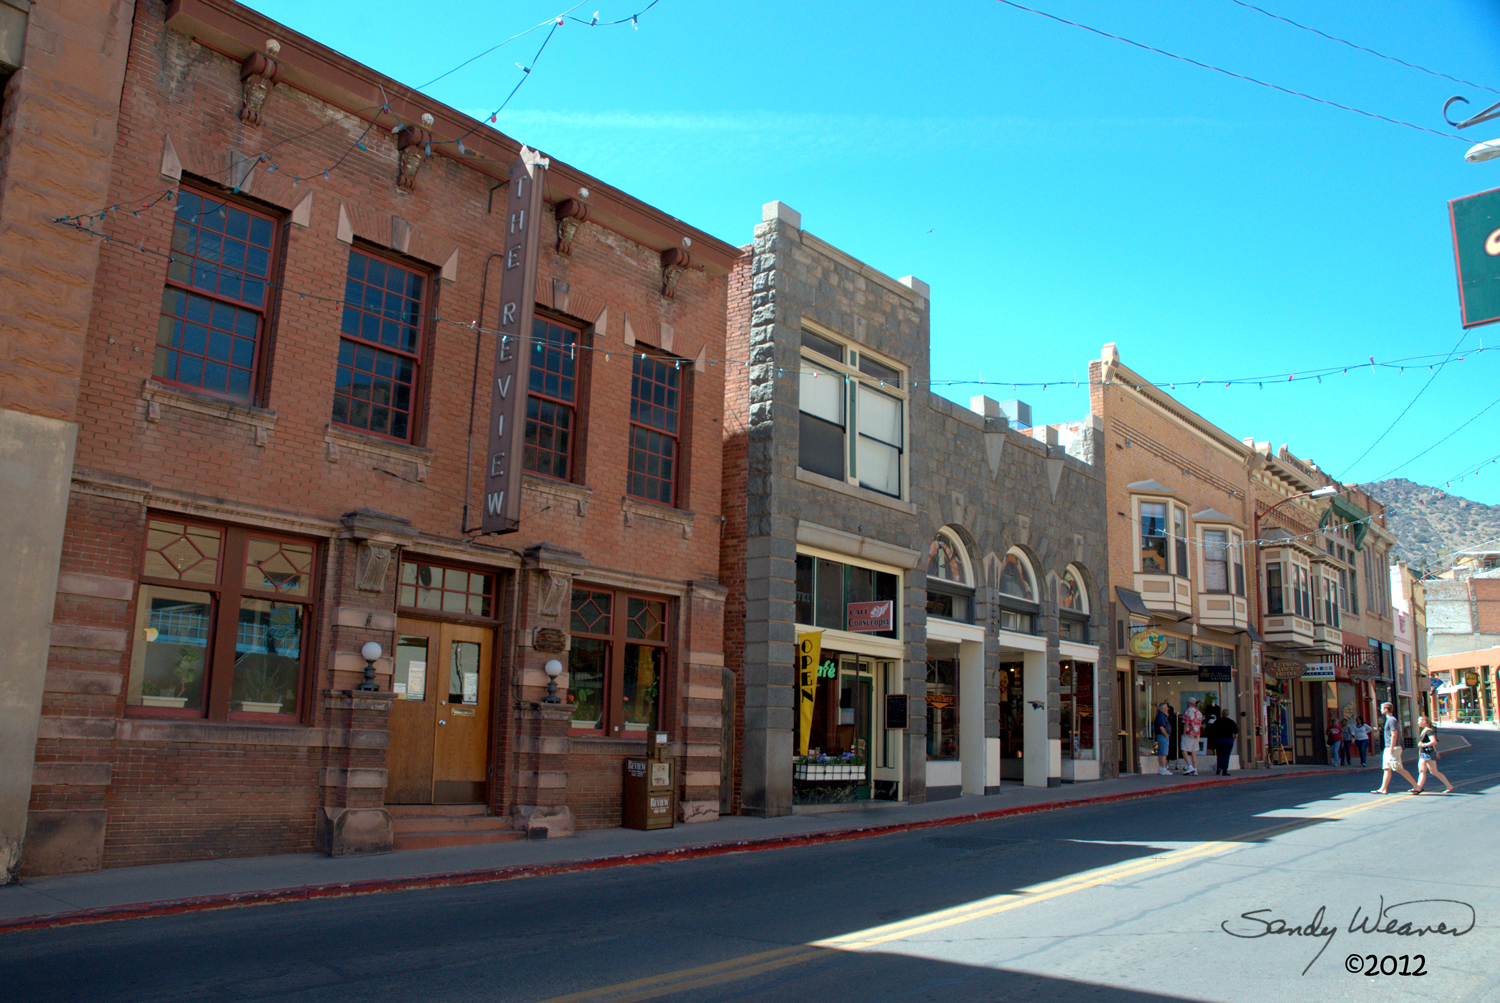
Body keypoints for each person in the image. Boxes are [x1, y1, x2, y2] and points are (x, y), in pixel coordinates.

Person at [1371, 701, 1420, 795]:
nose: (1380, 709)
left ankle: (1416, 786)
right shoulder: (1389, 720)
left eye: (1381, 708)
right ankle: (1383, 788)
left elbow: (1394, 734)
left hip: (1392, 747)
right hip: (1388, 747)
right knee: (1386, 768)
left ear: (1386, 709)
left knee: (1397, 768)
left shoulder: (1392, 720)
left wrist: (1391, 748)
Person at [1412, 715, 1456, 794]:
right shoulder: (1424, 730)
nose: (1418, 723)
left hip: (1428, 753)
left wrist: (1423, 745)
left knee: (1434, 772)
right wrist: (1435, 751)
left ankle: (1449, 786)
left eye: (1419, 721)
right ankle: (1418, 788)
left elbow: (1434, 742)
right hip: (1423, 753)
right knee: (1421, 771)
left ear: (1424, 721)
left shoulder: (1428, 731)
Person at [1179, 698, 1203, 776]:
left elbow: (1186, 723)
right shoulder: (1199, 712)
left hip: (1189, 733)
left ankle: (1190, 766)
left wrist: (1184, 733)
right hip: (1197, 733)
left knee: (1184, 751)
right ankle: (1195, 769)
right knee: (1194, 752)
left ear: (1188, 703)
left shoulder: (1187, 712)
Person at [1154, 701, 1172, 776]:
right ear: (1163, 708)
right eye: (1166, 707)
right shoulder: (1161, 715)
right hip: (1163, 736)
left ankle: (1161, 768)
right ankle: (1163, 768)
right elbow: (1161, 727)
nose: (1168, 708)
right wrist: (1166, 735)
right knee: (1164, 752)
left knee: (1161, 752)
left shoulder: (1161, 715)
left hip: (1161, 736)